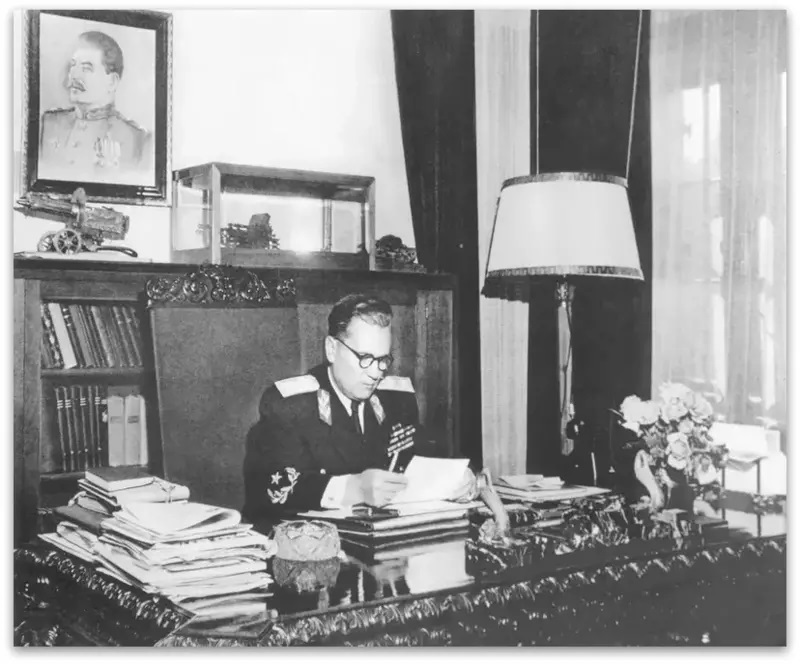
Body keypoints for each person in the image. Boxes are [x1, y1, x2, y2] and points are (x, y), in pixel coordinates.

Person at [242, 293, 476, 527]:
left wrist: (460, 481)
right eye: (364, 357)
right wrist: (353, 488)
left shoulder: (396, 400)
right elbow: (271, 489)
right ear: (331, 349)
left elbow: (426, 458)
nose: (376, 373)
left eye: (383, 359)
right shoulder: (291, 405)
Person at [39, 30, 150, 177]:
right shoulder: (49, 124)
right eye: (73, 65)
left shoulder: (136, 139)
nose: (74, 75)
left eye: (86, 68)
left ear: (112, 82)